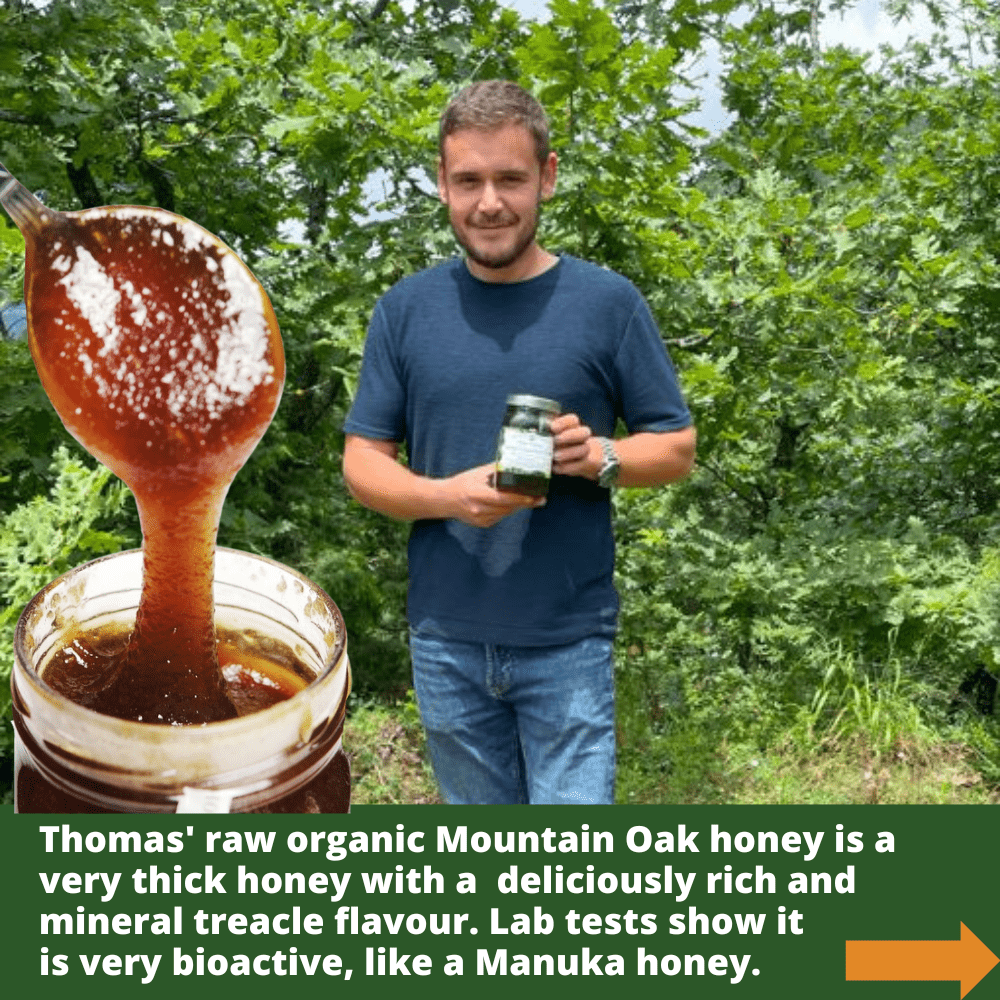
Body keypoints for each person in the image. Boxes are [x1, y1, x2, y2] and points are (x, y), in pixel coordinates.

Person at [342, 80, 696, 804]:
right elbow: (362, 465)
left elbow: (677, 446)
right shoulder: (406, 310)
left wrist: (599, 457)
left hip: (568, 637)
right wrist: (447, 497)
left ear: (548, 176)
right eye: (468, 180)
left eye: (511, 178)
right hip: (445, 639)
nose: (489, 202)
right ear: (441, 183)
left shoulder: (607, 304)